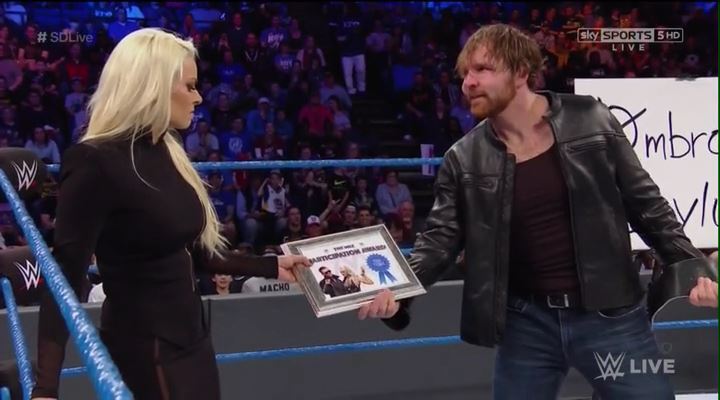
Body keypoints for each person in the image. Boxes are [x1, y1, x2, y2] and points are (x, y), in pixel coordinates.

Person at [359, 24, 717, 400]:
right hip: (526, 323)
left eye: (482, 69)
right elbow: (439, 241)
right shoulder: (463, 158)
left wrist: (694, 269)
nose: (468, 82)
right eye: (465, 73)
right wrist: (398, 293)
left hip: (609, 313)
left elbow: (646, 204)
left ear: (520, 72)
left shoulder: (589, 117)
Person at [31, 29, 311, 400]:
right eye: (190, 86)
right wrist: (45, 389)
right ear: (154, 86)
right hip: (145, 345)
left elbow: (194, 252)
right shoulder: (94, 161)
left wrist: (271, 266)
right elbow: (64, 275)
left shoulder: (167, 147)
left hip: (191, 336)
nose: (199, 97)